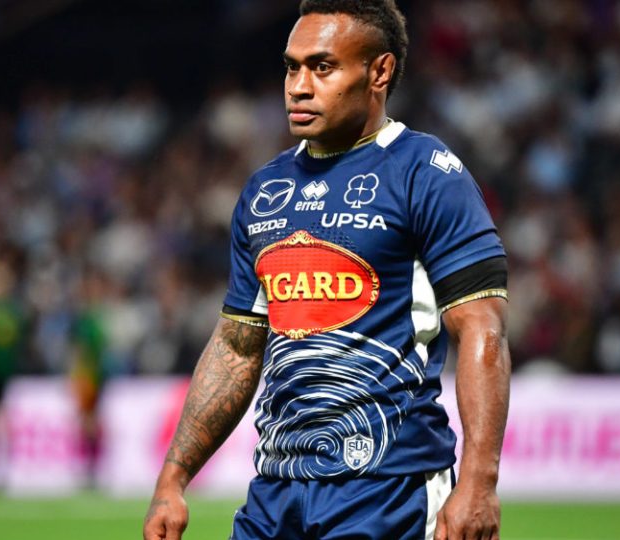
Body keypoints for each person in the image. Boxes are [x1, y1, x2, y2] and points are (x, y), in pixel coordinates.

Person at [144, 1, 510, 539]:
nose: (298, 85)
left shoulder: (428, 173)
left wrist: (478, 482)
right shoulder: (265, 191)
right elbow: (237, 346)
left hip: (390, 491)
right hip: (275, 493)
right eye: (292, 67)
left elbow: (483, 328)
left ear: (379, 71)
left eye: (323, 67)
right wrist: (172, 479)